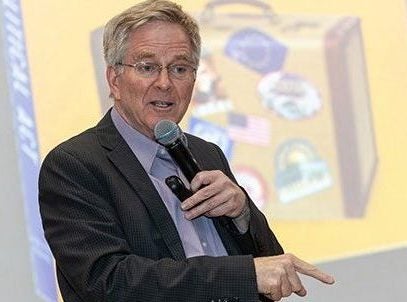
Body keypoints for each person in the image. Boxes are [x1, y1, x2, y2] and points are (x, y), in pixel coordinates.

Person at [38, 1, 334, 301]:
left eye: (180, 68)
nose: (165, 83)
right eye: (147, 67)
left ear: (194, 79)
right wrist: (242, 275)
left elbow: (270, 270)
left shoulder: (207, 153)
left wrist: (242, 213)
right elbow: (109, 282)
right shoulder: (74, 165)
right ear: (114, 80)